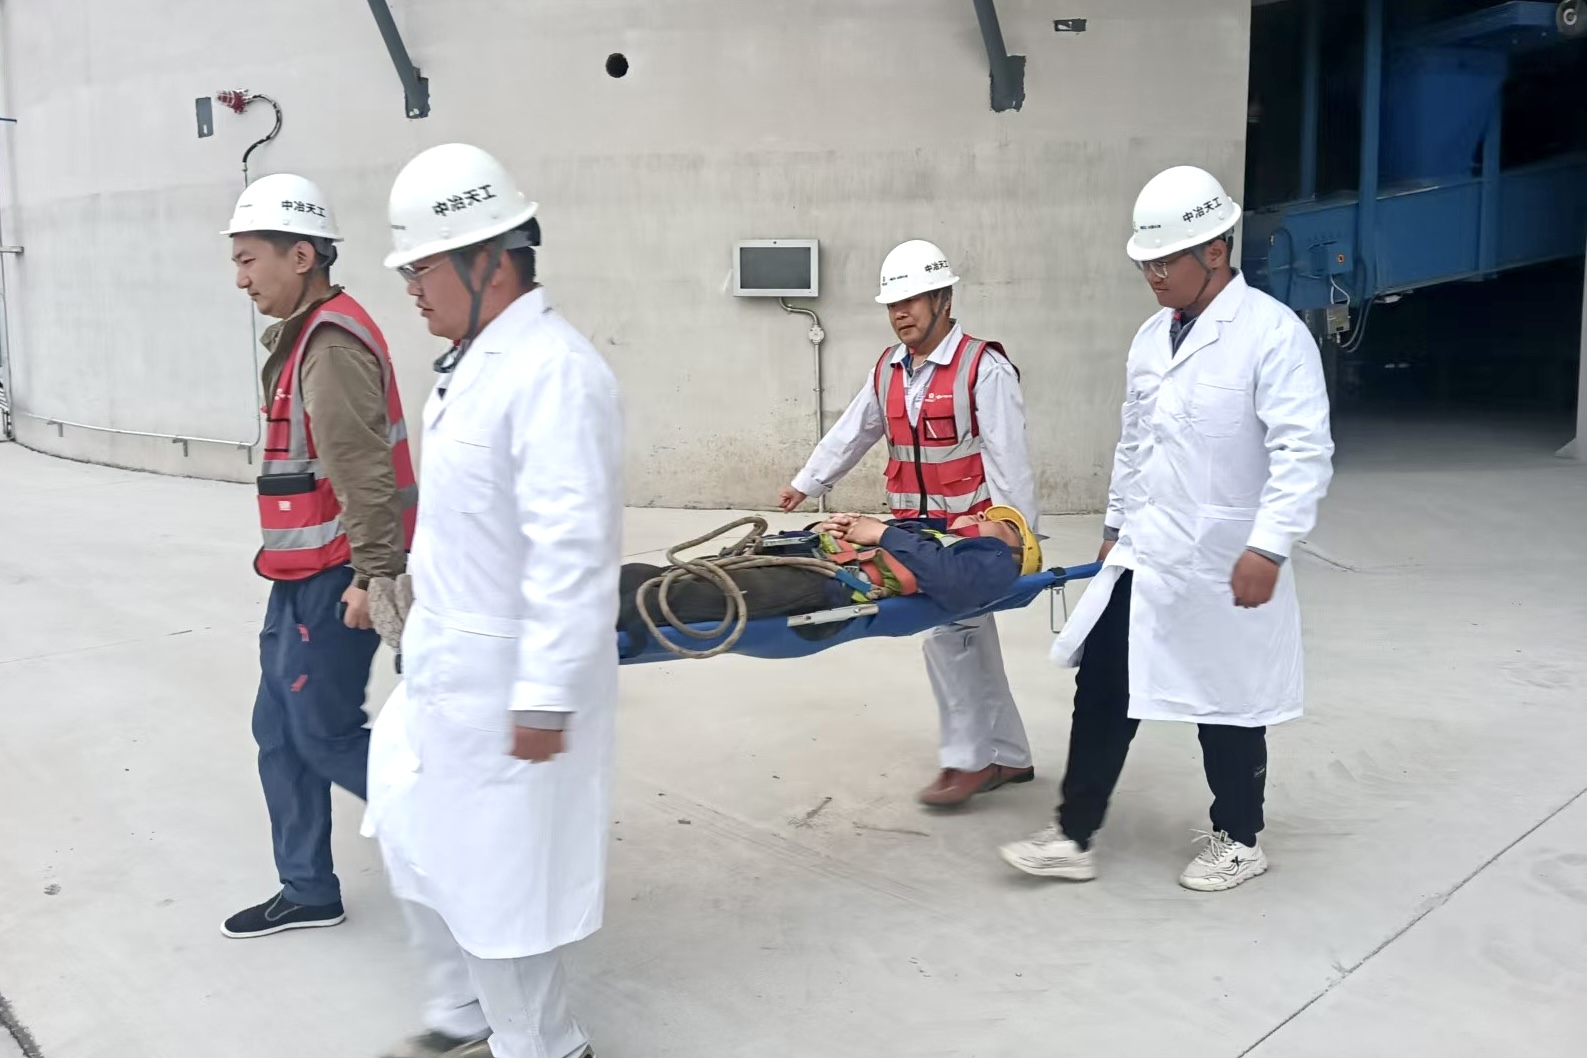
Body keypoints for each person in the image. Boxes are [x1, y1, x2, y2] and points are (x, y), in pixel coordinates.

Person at [999, 165, 1334, 892]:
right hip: (1147, 552)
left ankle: (1239, 839)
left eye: (1163, 262)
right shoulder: (1152, 338)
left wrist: (1268, 545)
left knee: (1227, 701)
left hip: (1226, 556)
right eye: (1143, 263)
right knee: (1104, 679)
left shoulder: (1272, 337)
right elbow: (1135, 442)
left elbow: (1303, 452)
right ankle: (1073, 834)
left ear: (1214, 250)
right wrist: (1114, 525)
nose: (1151, 276)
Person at [364, 143, 619, 1058]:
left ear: (490, 261)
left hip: (512, 676)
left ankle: (543, 1045)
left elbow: (572, 549)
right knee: (407, 825)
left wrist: (545, 695)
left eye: (422, 268)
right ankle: (463, 1009)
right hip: (447, 660)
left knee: (500, 887)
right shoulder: (473, 364)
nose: (411, 289)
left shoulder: (555, 374)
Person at [220, 173, 416, 938]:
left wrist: (372, 577)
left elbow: (364, 472)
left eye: (249, 260)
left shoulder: (330, 346)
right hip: (298, 577)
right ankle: (307, 889)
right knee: (278, 732)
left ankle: (458, 831)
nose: (241, 278)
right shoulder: (304, 337)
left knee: (322, 733)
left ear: (301, 256)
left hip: (338, 578)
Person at [778, 240, 1041, 807]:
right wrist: (808, 481)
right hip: (915, 532)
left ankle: (969, 762)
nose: (901, 313)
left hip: (968, 536)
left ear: (944, 299)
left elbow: (1009, 459)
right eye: (893, 304)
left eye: (912, 300)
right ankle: (1010, 756)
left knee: (951, 638)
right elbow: (854, 430)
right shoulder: (889, 370)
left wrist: (1021, 540)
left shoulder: (983, 368)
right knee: (968, 636)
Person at [617, 506, 1042, 644]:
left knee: (673, 597)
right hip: (803, 564)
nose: (983, 515)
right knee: (663, 579)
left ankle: (597, 616)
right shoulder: (936, 539)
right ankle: (599, 598)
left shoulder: (992, 560)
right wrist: (824, 531)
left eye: (1000, 523)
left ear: (1015, 550)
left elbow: (953, 586)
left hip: (817, 586)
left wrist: (882, 533)